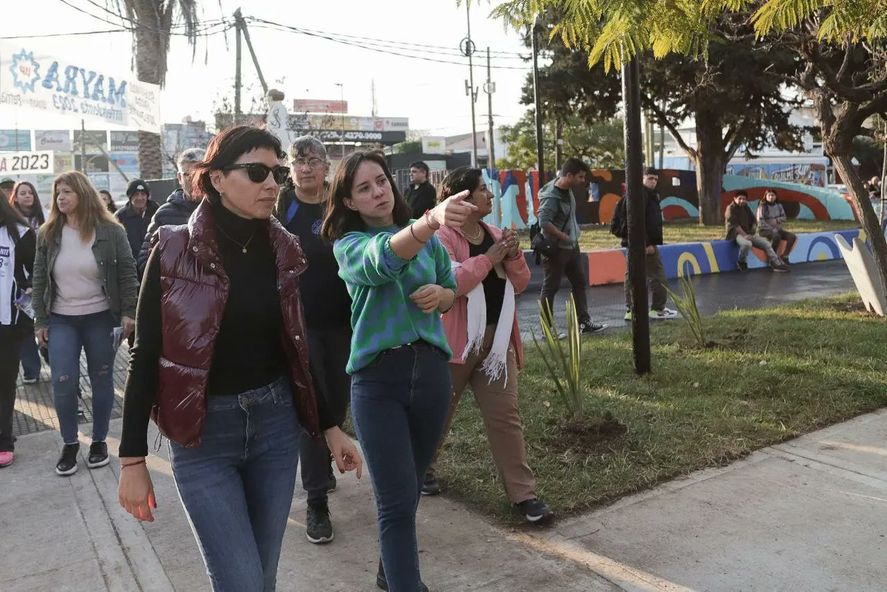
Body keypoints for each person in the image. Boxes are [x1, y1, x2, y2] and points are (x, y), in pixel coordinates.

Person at [117, 126, 362, 592]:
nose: (272, 183)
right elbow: (145, 354)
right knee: (241, 581)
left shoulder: (283, 248)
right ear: (216, 179)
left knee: (263, 576)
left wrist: (330, 427)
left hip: (274, 428)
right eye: (256, 172)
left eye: (278, 173)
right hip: (203, 437)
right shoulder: (171, 249)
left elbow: (295, 347)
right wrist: (132, 460)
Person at [321, 150, 475, 592]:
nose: (377, 192)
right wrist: (431, 221)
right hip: (377, 383)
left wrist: (441, 298)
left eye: (381, 182)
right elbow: (383, 261)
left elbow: (450, 284)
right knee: (394, 503)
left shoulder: (427, 241)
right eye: (364, 188)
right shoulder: (348, 246)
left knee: (406, 496)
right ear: (349, 202)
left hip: (431, 376)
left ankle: (391, 574)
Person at [424, 167, 553, 524]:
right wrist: (491, 258)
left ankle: (524, 496)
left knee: (505, 418)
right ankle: (421, 470)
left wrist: (511, 255)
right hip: (456, 345)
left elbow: (521, 283)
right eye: (484, 190)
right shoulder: (441, 237)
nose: (491, 196)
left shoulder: (495, 233)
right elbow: (451, 281)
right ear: (463, 197)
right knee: (439, 414)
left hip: (497, 345)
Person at [31, 171, 139, 476]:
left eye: (66, 192)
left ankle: (100, 441)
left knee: (102, 378)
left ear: (82, 193)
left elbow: (128, 273)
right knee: (63, 380)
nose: (60, 198)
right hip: (62, 318)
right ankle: (69, 443)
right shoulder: (48, 233)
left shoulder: (110, 231)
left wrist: (129, 312)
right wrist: (40, 318)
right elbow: (40, 277)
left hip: (101, 317)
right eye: (57, 194)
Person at [274, 136, 352, 545]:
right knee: (310, 409)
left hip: (342, 324)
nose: (305, 168)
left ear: (327, 167)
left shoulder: (339, 206)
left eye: (313, 161)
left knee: (335, 407)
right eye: (298, 161)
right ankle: (317, 500)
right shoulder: (281, 206)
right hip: (298, 327)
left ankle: (323, 457)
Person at [538, 157, 607, 334]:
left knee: (579, 283)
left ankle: (584, 322)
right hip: (557, 249)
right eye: (580, 177)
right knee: (550, 288)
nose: (583, 181)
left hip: (571, 247)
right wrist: (563, 236)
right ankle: (547, 329)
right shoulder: (552, 196)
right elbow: (544, 222)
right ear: (569, 175)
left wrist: (572, 239)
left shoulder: (566, 188)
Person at [611, 168, 678, 321]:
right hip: (644, 245)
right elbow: (636, 221)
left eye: (655, 179)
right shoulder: (642, 195)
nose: (653, 181)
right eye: (650, 178)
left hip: (634, 243)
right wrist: (647, 244)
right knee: (657, 275)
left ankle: (631, 310)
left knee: (632, 276)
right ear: (642, 178)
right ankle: (657, 308)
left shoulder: (640, 194)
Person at [0, 196, 36, 468]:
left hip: (8, 323)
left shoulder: (20, 233)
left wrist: (29, 289)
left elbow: (36, 270)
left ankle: (4, 440)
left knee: (4, 382)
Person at [136, 148, 205, 276]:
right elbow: (145, 261)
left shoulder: (225, 209)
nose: (195, 180)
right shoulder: (164, 215)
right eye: (188, 175)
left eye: (199, 174)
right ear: (179, 177)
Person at [9, 181, 47, 383]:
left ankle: (51, 358)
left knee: (46, 324)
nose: (27, 196)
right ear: (15, 197)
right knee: (24, 328)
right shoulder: (10, 223)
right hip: (19, 285)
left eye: (30, 192)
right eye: (22, 193)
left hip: (43, 280)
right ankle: (31, 370)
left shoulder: (45, 218)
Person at [725, 190, 789, 272]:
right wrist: (745, 235)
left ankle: (776, 263)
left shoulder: (746, 207)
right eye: (740, 198)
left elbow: (753, 220)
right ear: (734, 198)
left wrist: (753, 229)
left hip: (747, 234)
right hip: (736, 234)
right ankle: (741, 261)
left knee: (766, 244)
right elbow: (735, 226)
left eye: (744, 199)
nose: (742, 201)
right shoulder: (730, 209)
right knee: (747, 244)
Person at [115, 179, 159, 259]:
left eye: (143, 194)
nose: (140, 198)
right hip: (132, 263)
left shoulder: (157, 212)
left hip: (153, 261)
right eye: (136, 194)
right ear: (130, 197)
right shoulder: (120, 217)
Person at [756, 188, 797, 263]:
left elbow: (784, 217)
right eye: (769, 195)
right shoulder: (762, 206)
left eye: (773, 195)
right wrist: (771, 228)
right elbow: (761, 221)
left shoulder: (779, 205)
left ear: (775, 196)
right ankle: (772, 258)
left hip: (777, 229)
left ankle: (785, 256)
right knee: (776, 236)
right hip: (764, 230)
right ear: (766, 196)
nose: (771, 197)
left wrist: (776, 220)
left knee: (792, 237)